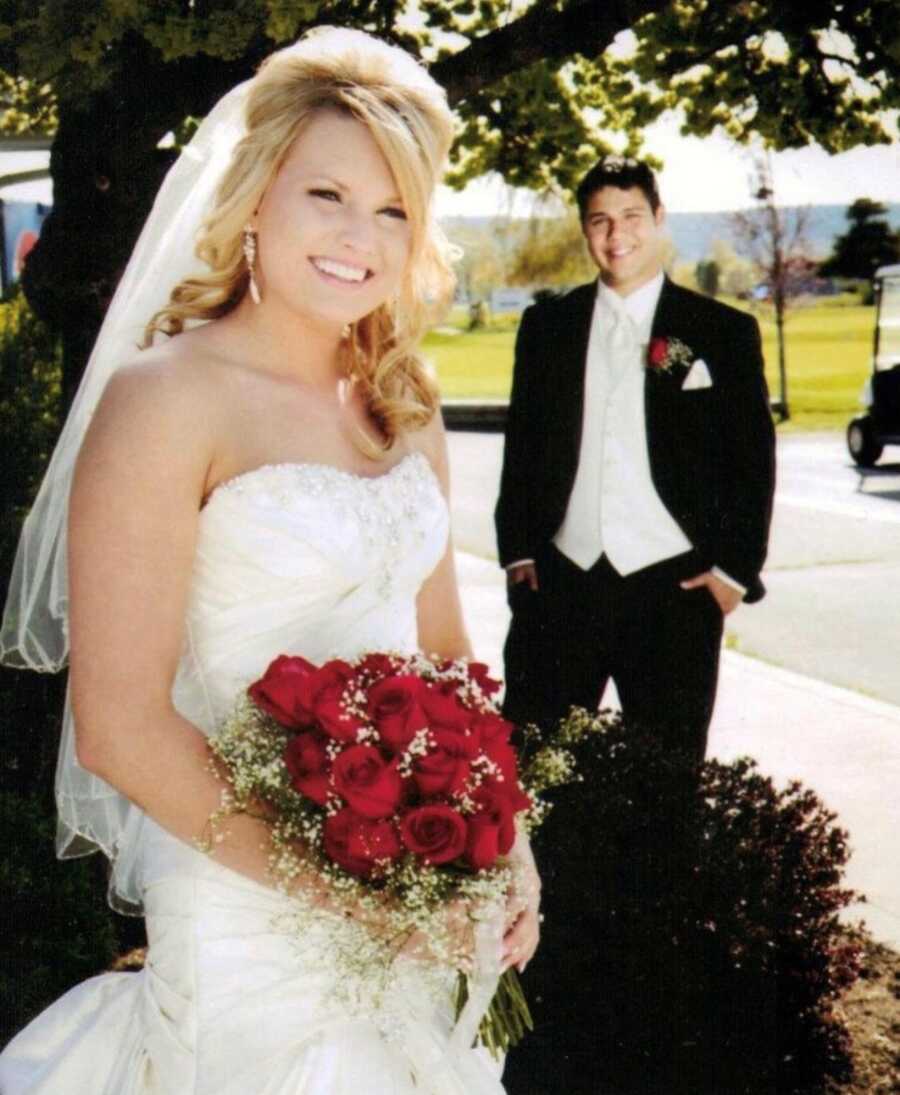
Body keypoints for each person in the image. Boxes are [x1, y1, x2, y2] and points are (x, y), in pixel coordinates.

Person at [0, 29, 539, 1094]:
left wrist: (506, 848)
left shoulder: (406, 402)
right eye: (326, 195)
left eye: (394, 210)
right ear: (254, 198)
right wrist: (358, 898)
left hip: (417, 914)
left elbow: (445, 654)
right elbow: (117, 725)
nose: (360, 237)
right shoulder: (165, 400)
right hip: (246, 915)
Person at [495, 157, 775, 1092]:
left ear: (660, 220)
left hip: (670, 592)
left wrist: (732, 576)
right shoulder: (547, 325)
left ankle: (647, 988)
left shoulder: (717, 333)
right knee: (537, 775)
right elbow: (524, 442)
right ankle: (543, 972)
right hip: (564, 585)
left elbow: (751, 461)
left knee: (665, 789)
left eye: (630, 217)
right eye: (598, 221)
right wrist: (518, 553)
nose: (614, 236)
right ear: (586, 229)